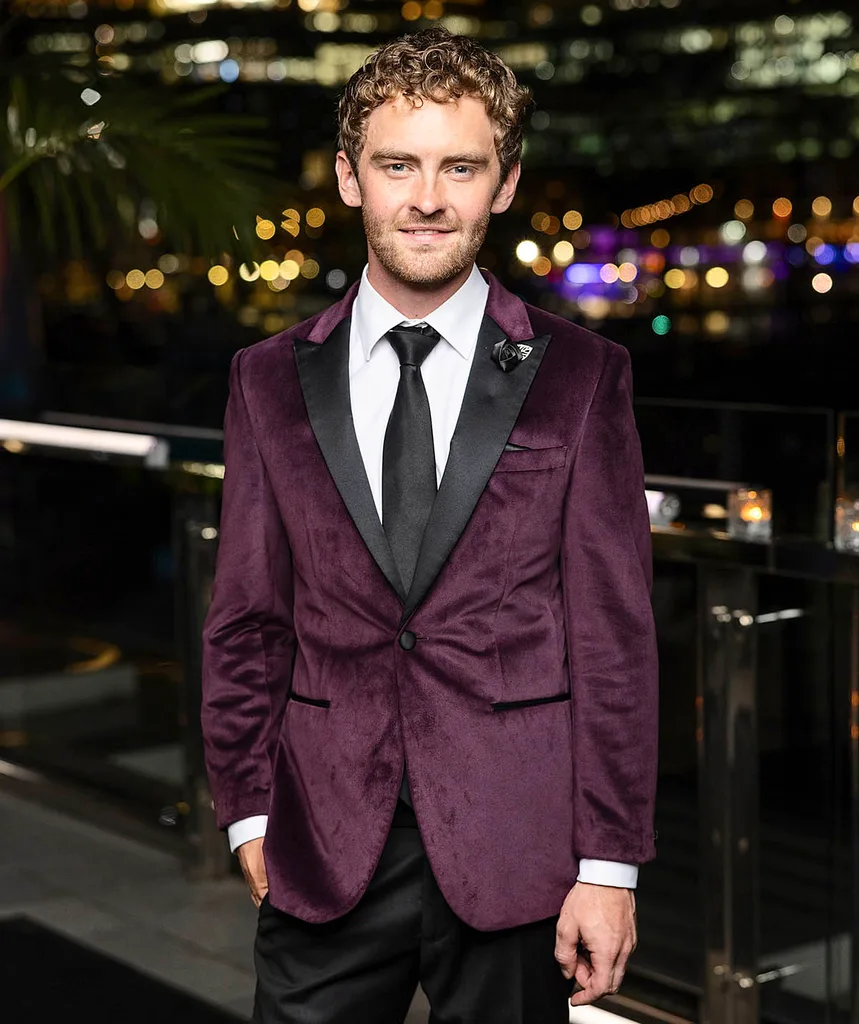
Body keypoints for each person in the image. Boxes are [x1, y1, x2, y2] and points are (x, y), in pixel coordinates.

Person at [201, 26, 658, 1024]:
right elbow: (245, 618)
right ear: (347, 176)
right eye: (396, 163)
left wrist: (609, 863)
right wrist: (245, 812)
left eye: (460, 166)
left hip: (518, 850)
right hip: (319, 840)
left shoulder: (582, 376)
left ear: (502, 183)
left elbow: (613, 640)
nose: (426, 197)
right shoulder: (267, 379)